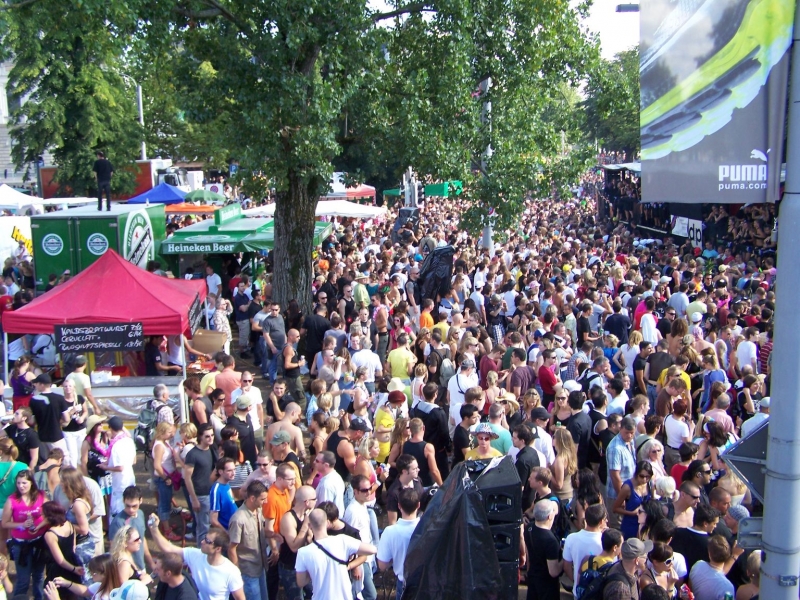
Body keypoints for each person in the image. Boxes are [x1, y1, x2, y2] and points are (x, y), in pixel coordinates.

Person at [148, 515, 246, 600]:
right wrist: (154, 529)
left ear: (218, 549)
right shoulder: (195, 555)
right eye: (204, 538)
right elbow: (169, 549)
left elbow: (240, 598)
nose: (202, 542)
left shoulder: (231, 572)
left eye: (207, 541)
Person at [294, 509, 377, 600]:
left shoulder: (303, 552)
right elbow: (372, 550)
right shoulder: (342, 540)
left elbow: (301, 582)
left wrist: (313, 571)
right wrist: (351, 558)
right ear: (327, 522)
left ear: (310, 526)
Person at [3, 468, 46, 600]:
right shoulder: (12, 500)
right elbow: (4, 523)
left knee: (39, 577)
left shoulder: (41, 496)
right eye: (18, 483)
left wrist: (38, 525)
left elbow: (48, 515)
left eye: (24, 483)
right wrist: (21, 525)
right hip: (21, 545)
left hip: (39, 542)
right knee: (23, 579)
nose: (21, 486)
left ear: (31, 483)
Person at [228, 481, 269, 600]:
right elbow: (232, 548)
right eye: (262, 499)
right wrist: (237, 574)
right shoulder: (238, 519)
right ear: (252, 498)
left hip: (260, 565)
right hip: (247, 571)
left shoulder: (258, 510)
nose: (265, 502)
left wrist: (273, 536)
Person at [377, 487, 420, 600]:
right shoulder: (429, 527)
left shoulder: (390, 532)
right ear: (418, 505)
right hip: (426, 583)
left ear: (399, 506)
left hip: (404, 584)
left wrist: (394, 558)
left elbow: (382, 565)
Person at [278, 485, 316, 600]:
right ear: (307, 502)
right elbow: (294, 547)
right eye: (315, 499)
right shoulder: (288, 519)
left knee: (313, 594)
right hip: (290, 567)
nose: (316, 501)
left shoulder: (306, 514)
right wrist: (305, 526)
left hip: (305, 565)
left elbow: (310, 541)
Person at [344, 474, 378, 600]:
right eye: (364, 490)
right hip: (360, 559)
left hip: (366, 557)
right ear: (355, 492)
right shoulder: (353, 511)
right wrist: (355, 566)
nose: (369, 492)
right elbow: (350, 539)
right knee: (369, 595)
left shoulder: (362, 505)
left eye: (369, 488)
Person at [108, 486, 154, 577]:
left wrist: (150, 562)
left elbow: (142, 538)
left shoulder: (140, 514)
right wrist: (136, 571)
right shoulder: (118, 523)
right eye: (127, 506)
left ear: (141, 501)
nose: (131, 510)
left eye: (134, 506)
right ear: (123, 501)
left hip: (141, 567)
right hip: (128, 571)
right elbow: (115, 550)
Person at [563, 502, 606, 596]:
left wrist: (577, 581)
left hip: (579, 592)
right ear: (601, 522)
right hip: (599, 594)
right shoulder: (606, 541)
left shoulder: (571, 538)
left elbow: (566, 567)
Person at [523, 499, 563, 600]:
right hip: (546, 586)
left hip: (533, 579)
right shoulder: (550, 541)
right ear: (549, 516)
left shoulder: (529, 528)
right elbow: (553, 572)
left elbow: (528, 556)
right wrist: (564, 559)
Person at [183, 423, 216, 544]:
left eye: (212, 435)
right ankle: (201, 552)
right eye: (207, 436)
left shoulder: (212, 450)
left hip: (210, 493)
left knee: (208, 525)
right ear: (200, 437)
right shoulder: (193, 454)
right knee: (203, 527)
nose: (211, 438)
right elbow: (187, 478)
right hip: (200, 495)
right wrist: (194, 499)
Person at [41, 501, 83, 596]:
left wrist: (74, 569)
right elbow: (73, 548)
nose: (42, 517)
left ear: (49, 516)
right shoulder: (69, 524)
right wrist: (75, 568)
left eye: (43, 515)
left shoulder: (50, 535)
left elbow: (60, 560)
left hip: (59, 570)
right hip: (72, 562)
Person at [152, 422, 181, 541]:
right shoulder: (159, 446)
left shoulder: (165, 443)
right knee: (164, 505)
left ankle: (166, 526)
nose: (171, 434)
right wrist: (166, 478)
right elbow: (157, 466)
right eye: (169, 432)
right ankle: (166, 530)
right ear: (162, 432)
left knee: (166, 502)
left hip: (168, 477)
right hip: (163, 478)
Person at [100, 417, 136, 516]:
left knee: (119, 510)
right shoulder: (129, 440)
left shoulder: (117, 445)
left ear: (111, 428)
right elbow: (134, 461)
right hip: (130, 477)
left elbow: (120, 468)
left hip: (120, 482)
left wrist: (105, 467)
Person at [29, 373, 70, 455]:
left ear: (42, 385)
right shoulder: (59, 398)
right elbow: (67, 418)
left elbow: (31, 421)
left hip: (41, 436)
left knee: (45, 462)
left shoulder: (33, 400)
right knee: (62, 460)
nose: (35, 385)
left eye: (36, 383)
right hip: (56, 435)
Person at [614, 461, 654, 540]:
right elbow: (615, 508)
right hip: (630, 525)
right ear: (636, 474)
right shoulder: (627, 487)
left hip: (645, 526)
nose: (644, 479)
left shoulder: (650, 484)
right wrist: (632, 513)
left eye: (648, 477)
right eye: (642, 476)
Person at [688, 535, 735, 600]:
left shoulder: (698, 566)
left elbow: (690, 589)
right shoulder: (727, 587)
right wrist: (735, 555)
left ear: (709, 554)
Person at [402, 418, 442, 486]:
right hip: (426, 484)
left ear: (411, 430)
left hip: (411, 484)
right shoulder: (428, 447)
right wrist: (442, 486)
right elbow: (434, 471)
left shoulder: (405, 445)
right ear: (423, 428)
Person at [386, 454, 424, 525]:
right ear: (404, 471)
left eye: (417, 467)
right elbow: (392, 522)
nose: (418, 470)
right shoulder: (393, 493)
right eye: (414, 469)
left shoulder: (418, 481)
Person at [209, 457, 238, 530]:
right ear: (220, 472)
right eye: (229, 470)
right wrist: (227, 534)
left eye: (234, 469)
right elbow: (213, 520)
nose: (233, 473)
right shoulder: (216, 490)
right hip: (228, 530)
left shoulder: (227, 483)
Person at [313, 451, 345, 515]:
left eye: (317, 461)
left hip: (329, 521)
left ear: (326, 465)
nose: (314, 462)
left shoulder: (326, 485)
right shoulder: (337, 476)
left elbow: (325, 510)